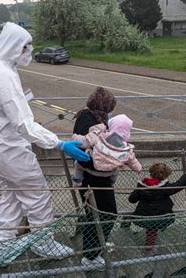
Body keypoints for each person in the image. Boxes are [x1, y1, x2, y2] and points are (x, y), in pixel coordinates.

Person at [0, 23, 90, 265]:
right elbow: (24, 124)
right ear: (15, 47)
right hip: (9, 148)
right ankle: (43, 243)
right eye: (26, 46)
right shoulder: (3, 74)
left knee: (12, 193)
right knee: (37, 196)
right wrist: (58, 143)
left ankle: (5, 244)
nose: (29, 51)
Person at [73, 87, 119, 268]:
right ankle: (90, 257)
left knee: (96, 214)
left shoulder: (88, 116)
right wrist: (111, 158)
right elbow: (84, 150)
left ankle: (96, 246)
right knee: (106, 215)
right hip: (94, 178)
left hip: (94, 176)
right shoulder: (89, 119)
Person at [128, 163, 186, 255]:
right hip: (160, 214)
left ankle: (149, 247)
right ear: (165, 176)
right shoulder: (164, 187)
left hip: (144, 214)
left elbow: (131, 200)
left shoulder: (141, 186)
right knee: (153, 229)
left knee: (151, 230)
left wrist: (139, 192)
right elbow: (178, 185)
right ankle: (149, 249)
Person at [71, 114, 142, 187]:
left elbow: (84, 142)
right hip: (109, 173)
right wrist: (138, 168)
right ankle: (111, 183)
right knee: (117, 167)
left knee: (78, 163)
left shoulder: (100, 135)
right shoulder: (125, 148)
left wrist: (75, 137)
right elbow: (132, 160)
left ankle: (77, 181)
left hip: (93, 167)